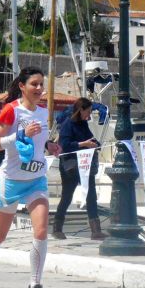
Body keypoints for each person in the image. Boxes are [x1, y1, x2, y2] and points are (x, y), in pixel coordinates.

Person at [0, 67, 58, 288]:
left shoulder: (44, 112)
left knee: (41, 231)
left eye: (42, 84)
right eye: (34, 84)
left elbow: (38, 143)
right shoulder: (11, 110)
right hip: (10, 182)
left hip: (36, 180)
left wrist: (50, 146)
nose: (39, 89)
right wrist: (20, 134)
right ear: (22, 86)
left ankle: (35, 286)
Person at [53, 97, 106, 241]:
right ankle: (57, 228)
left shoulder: (83, 124)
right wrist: (84, 144)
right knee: (67, 196)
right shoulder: (68, 124)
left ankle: (96, 231)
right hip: (70, 166)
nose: (89, 115)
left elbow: (90, 138)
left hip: (85, 165)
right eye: (88, 111)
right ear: (80, 110)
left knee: (91, 196)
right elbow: (65, 144)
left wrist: (96, 143)